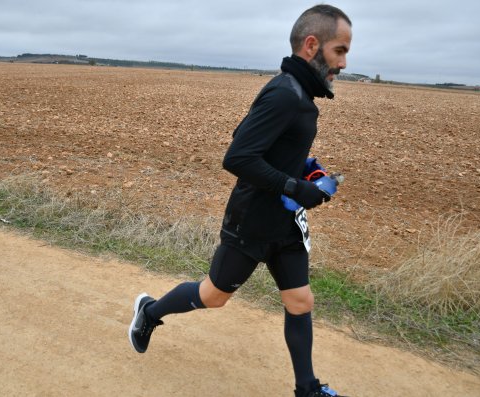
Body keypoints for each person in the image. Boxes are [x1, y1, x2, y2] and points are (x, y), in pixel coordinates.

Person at [129, 4, 352, 397]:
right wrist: (294, 186)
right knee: (213, 296)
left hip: (286, 223)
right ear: (312, 45)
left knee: (300, 301)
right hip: (251, 222)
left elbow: (259, 143)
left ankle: (308, 390)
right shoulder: (286, 94)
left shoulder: (301, 96)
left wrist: (307, 170)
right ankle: (150, 311)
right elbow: (237, 157)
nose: (345, 63)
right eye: (340, 51)